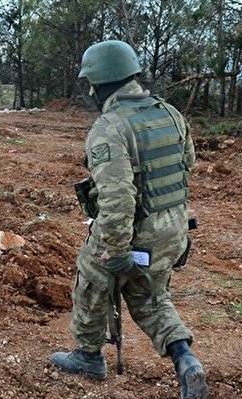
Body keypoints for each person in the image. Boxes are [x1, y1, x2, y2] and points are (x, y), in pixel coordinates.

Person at [51, 40, 209, 399]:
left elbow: (117, 198)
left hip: (136, 233)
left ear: (103, 81)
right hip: (173, 231)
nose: (89, 91)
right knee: (150, 296)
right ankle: (185, 358)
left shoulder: (110, 127)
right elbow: (185, 168)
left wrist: (116, 249)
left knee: (91, 272)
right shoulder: (171, 114)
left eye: (90, 83)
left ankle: (88, 355)